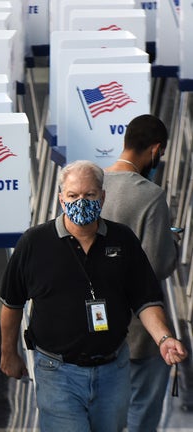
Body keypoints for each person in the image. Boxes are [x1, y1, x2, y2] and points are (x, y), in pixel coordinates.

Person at [0, 160, 187, 432]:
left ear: (103, 196)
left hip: (113, 370)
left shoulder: (122, 240)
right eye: (73, 195)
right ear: (61, 198)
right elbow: (11, 303)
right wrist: (8, 353)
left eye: (90, 195)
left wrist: (164, 338)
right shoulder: (35, 243)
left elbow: (145, 298)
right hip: (57, 372)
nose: (81, 202)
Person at [102, 114, 179, 432]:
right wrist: (172, 240)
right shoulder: (150, 195)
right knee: (139, 416)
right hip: (139, 331)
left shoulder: (88, 186)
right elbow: (157, 266)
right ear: (156, 150)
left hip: (94, 328)